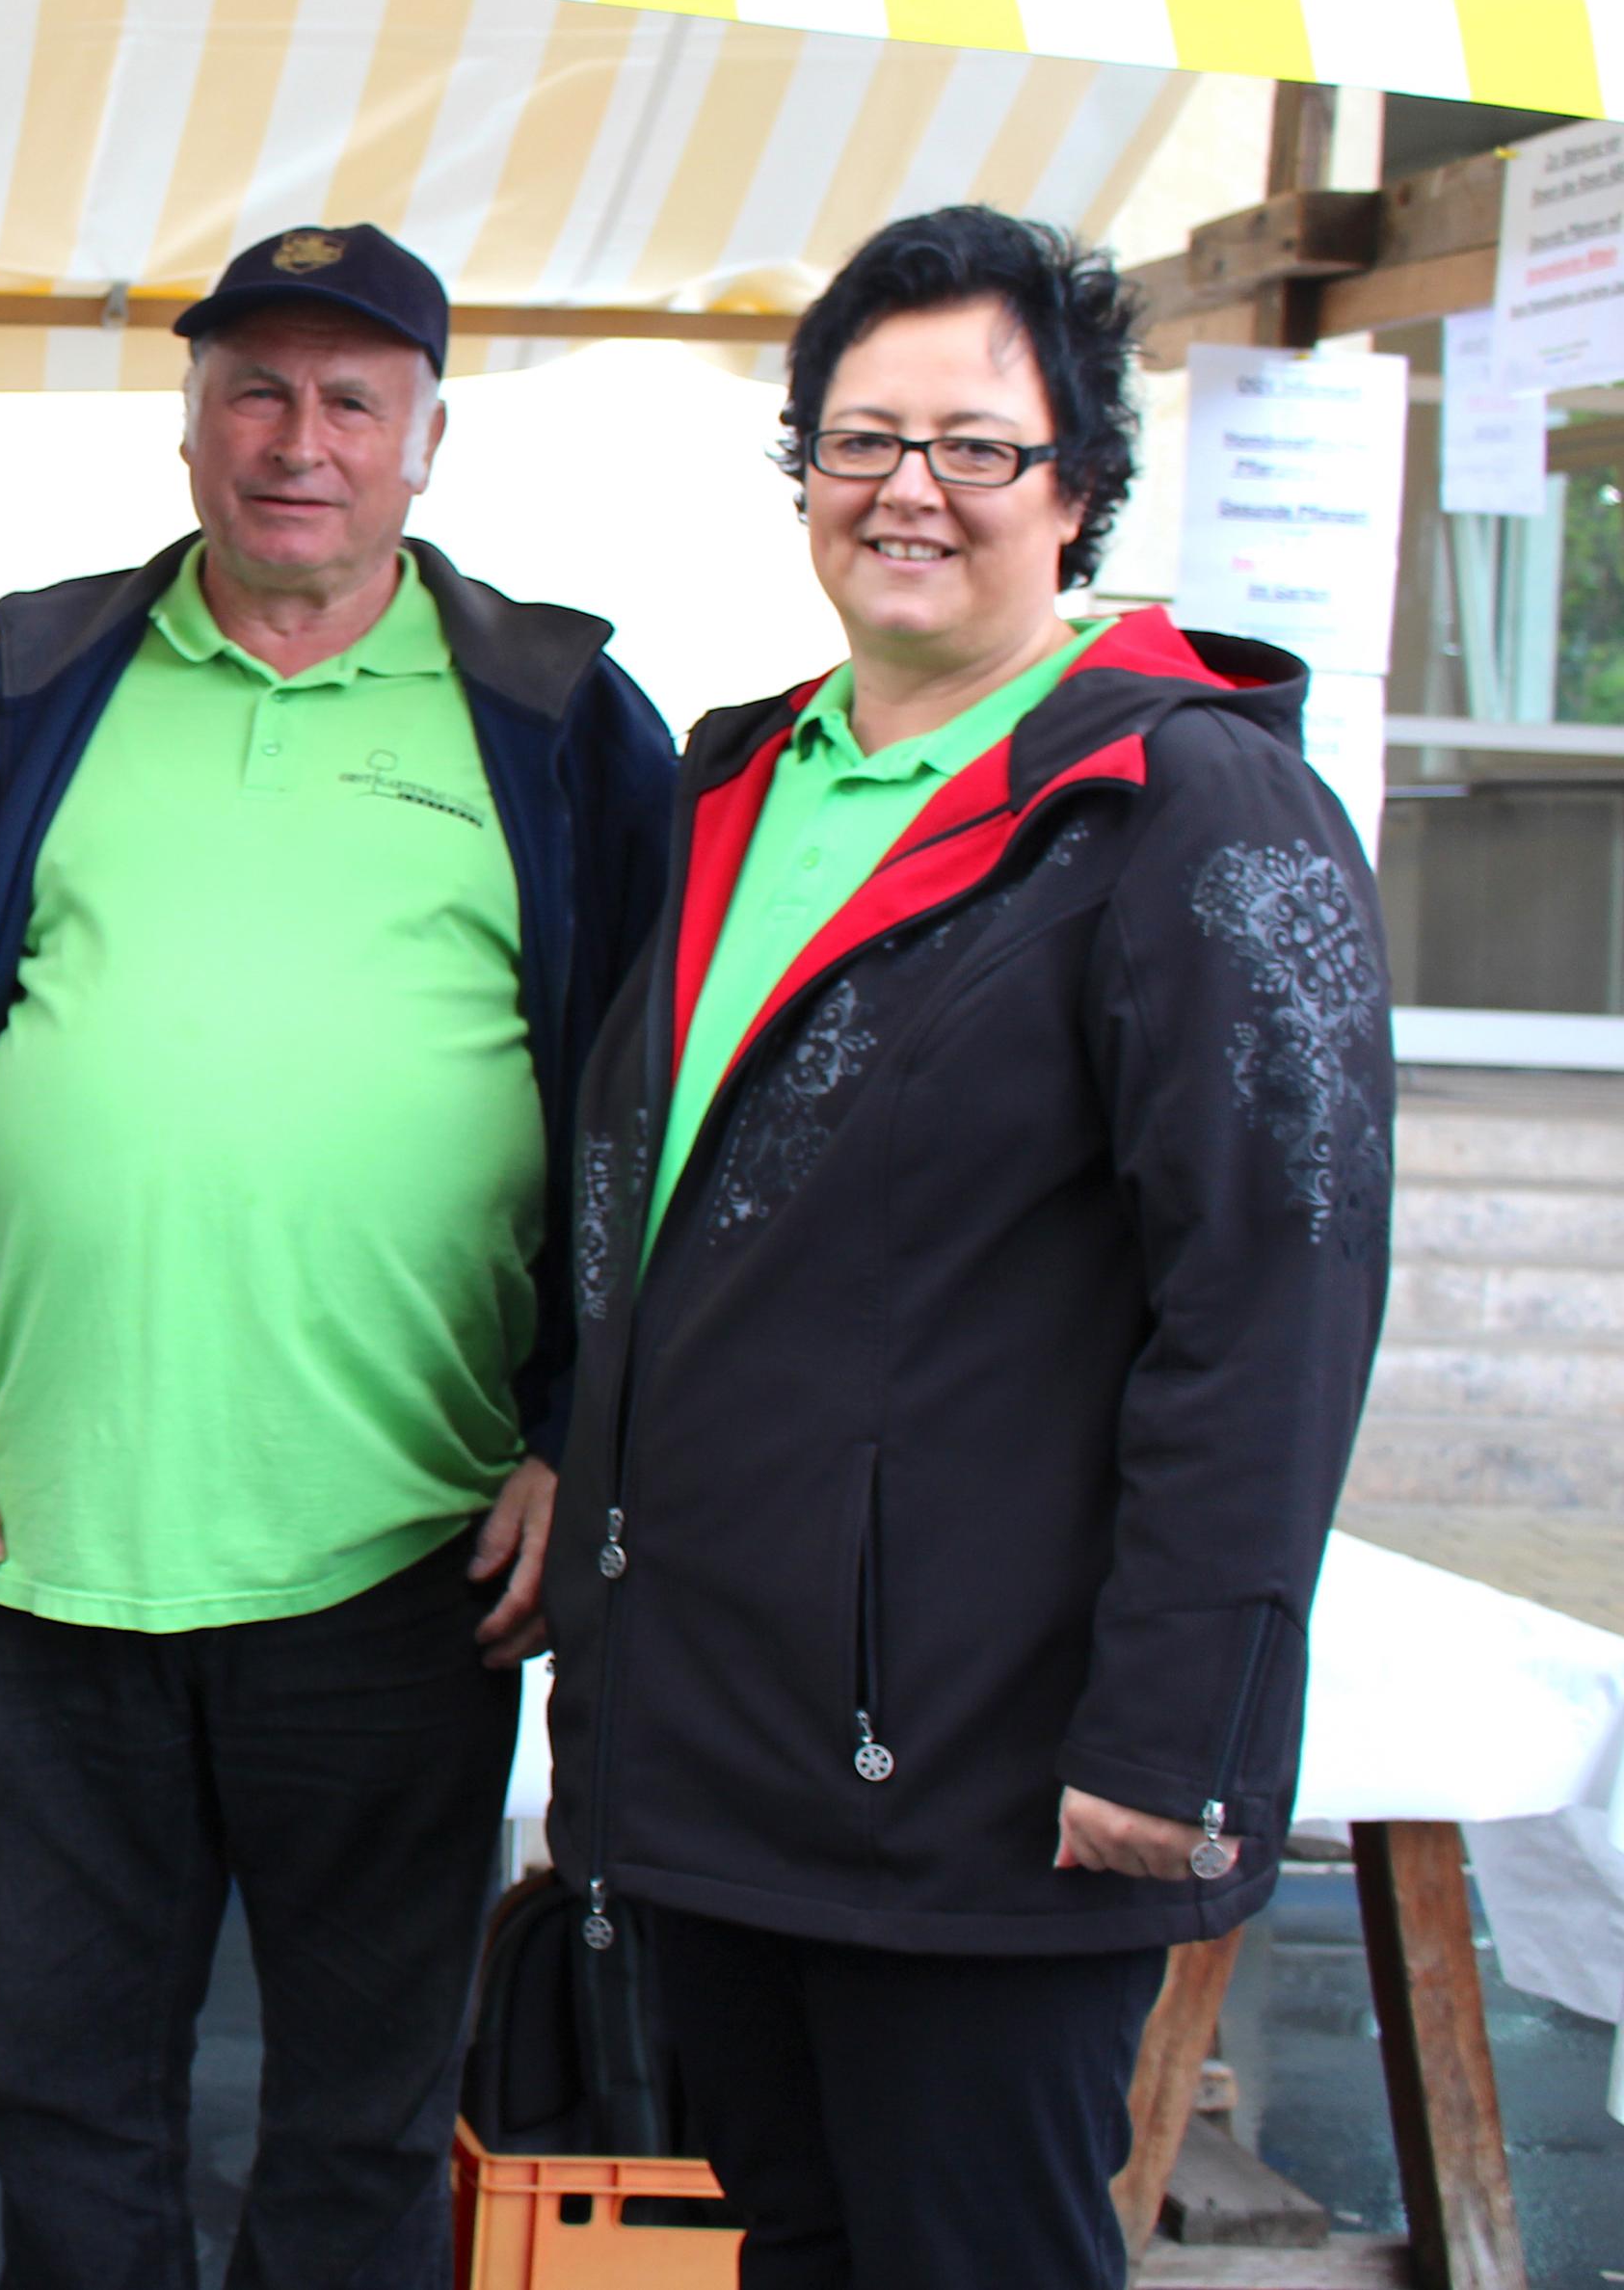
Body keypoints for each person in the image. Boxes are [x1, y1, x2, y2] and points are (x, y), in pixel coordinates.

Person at [541, 206, 1393, 2290]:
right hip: (717, 1746)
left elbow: (1273, 1298)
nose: (905, 489)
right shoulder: (737, 780)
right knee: (788, 2247)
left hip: (989, 1772)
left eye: (975, 445)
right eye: (858, 439)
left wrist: (1172, 1738)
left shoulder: (1185, 807)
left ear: (1076, 485)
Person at [0, 224, 677, 2287]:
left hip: (404, 1547)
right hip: (50, 1530)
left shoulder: (562, 723)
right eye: (256, 391)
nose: (298, 441)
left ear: (425, 441)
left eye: (350, 400)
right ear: (192, 421)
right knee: (66, 2110)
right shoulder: (26, 694)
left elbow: (656, 1114)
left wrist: (576, 1435)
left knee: (358, 2126)